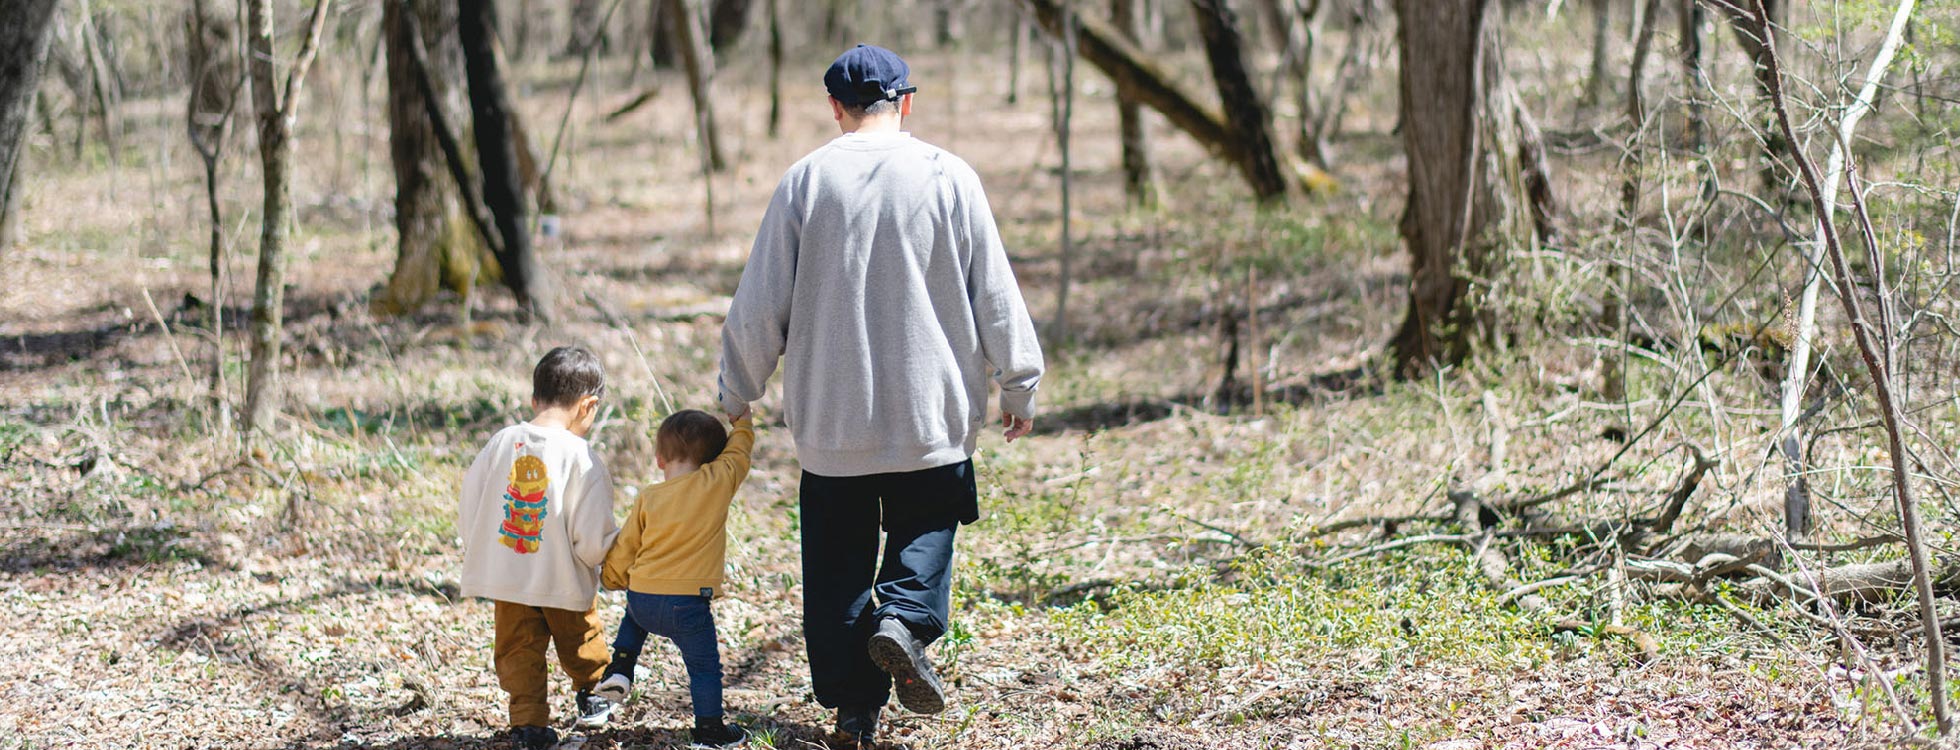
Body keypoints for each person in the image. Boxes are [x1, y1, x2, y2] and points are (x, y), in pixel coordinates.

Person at [717, 43, 1045, 747]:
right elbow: (993, 289)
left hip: (833, 423)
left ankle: (854, 711)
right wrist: (1019, 380)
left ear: (835, 107)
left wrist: (736, 390)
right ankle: (902, 620)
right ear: (906, 102)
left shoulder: (805, 182)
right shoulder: (949, 176)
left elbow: (759, 305)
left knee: (836, 570)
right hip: (930, 412)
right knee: (926, 530)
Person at [457, 346, 620, 750]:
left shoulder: (501, 442)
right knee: (580, 638)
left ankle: (528, 723)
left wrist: (481, 551)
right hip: (561, 577)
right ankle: (593, 692)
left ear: (535, 399)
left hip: (507, 577)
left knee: (517, 651)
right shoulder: (581, 457)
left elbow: (471, 503)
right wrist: (600, 556)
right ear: (588, 406)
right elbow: (591, 531)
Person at [595, 409, 755, 748]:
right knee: (704, 668)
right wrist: (742, 423)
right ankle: (710, 731)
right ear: (715, 458)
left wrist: (611, 578)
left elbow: (627, 545)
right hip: (688, 606)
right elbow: (740, 452)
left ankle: (621, 666)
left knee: (634, 613)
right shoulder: (718, 481)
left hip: (642, 599)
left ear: (658, 459)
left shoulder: (649, 497)